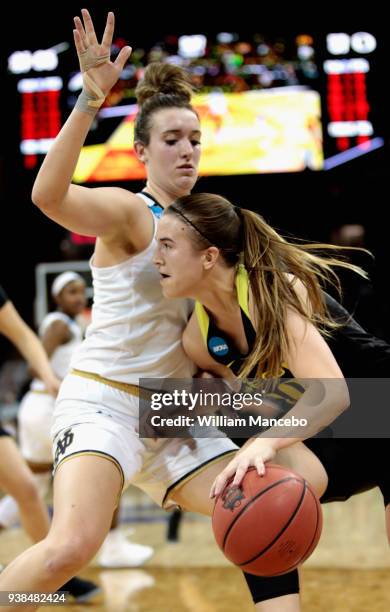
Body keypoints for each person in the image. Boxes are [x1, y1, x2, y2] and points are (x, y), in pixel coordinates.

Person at [0, 11, 245, 610]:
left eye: (194, 140)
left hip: (173, 405)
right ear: (140, 151)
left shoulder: (211, 223)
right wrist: (88, 98)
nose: (187, 151)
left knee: (283, 488)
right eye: (171, 140)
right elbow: (47, 196)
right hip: (105, 399)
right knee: (71, 548)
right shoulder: (131, 213)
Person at [153, 192, 390, 611]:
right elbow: (257, 406)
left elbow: (333, 392)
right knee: (252, 484)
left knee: (254, 448)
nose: (155, 257)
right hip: (339, 434)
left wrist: (264, 441)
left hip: (381, 406)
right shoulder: (200, 339)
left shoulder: (271, 289)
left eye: (167, 245)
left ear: (209, 257)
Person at [0, 284, 99, 601]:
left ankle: (55, 577)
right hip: (42, 411)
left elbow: (25, 338)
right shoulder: (59, 323)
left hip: (55, 401)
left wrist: (50, 377)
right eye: (71, 291)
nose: (79, 296)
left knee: (28, 489)